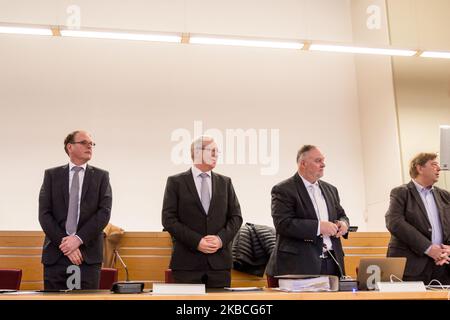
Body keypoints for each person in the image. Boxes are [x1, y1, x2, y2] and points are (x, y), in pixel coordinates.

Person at [162, 136, 243, 287]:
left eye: (217, 152)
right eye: (212, 151)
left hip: (219, 266)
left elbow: (236, 217)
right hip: (186, 264)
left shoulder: (225, 182)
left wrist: (220, 240)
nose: (216, 155)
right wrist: (197, 242)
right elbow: (168, 219)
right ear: (198, 153)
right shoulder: (175, 182)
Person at [38, 130, 112, 290]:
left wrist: (77, 239)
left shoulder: (101, 176)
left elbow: (104, 212)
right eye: (84, 142)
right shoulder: (52, 175)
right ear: (70, 147)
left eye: (91, 143)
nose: (89, 146)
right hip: (56, 255)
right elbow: (44, 214)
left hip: (88, 255)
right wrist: (65, 244)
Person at [266, 145, 349, 278]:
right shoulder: (283, 189)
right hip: (299, 265)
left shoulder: (331, 189)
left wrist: (344, 224)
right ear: (303, 163)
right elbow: (283, 224)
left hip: (333, 262)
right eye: (318, 161)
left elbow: (342, 215)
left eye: (323, 160)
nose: (323, 164)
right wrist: (318, 227)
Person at [386, 152, 450, 284]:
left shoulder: (445, 196)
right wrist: (428, 248)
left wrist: (448, 249)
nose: (439, 169)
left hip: (442, 265)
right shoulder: (401, 193)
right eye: (433, 165)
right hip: (411, 266)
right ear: (419, 168)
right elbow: (394, 222)